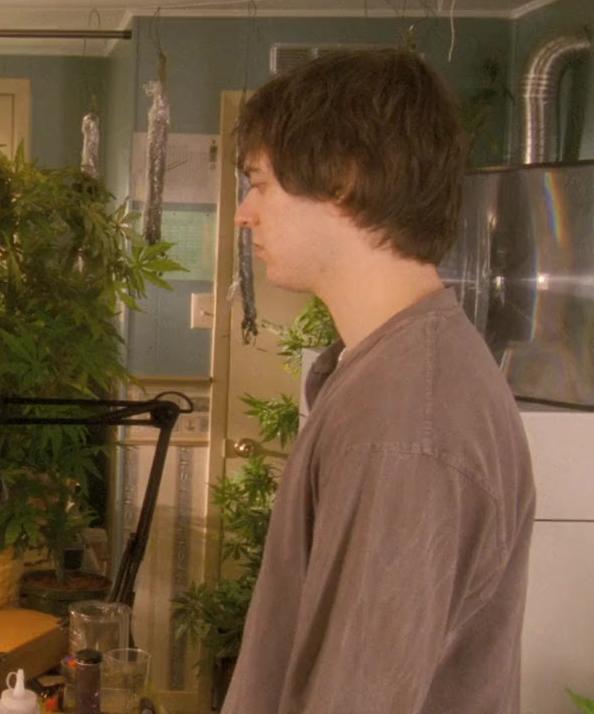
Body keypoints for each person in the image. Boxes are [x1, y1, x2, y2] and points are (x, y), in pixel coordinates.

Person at [222, 49, 536, 712]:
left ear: (343, 176)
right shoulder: (386, 375)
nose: (245, 212)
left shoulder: (405, 425)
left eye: (261, 183)